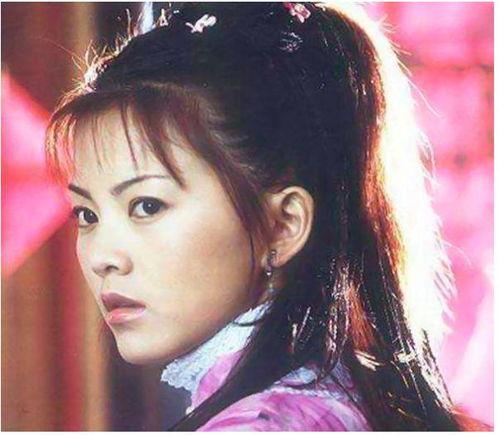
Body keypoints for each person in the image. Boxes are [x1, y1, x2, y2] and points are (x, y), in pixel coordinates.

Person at [45, 2, 488, 431]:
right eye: (87, 214)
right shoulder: (330, 399)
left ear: (284, 224)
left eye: (147, 205)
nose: (102, 257)